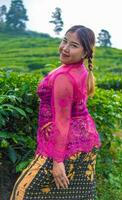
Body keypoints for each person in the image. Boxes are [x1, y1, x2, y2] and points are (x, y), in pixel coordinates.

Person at [10, 25, 101, 200]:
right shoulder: (80, 70)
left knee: (23, 192)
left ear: (85, 53)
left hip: (65, 145)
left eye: (74, 45)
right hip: (85, 140)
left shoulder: (64, 78)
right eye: (65, 41)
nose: (65, 48)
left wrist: (58, 161)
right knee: (74, 195)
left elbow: (62, 121)